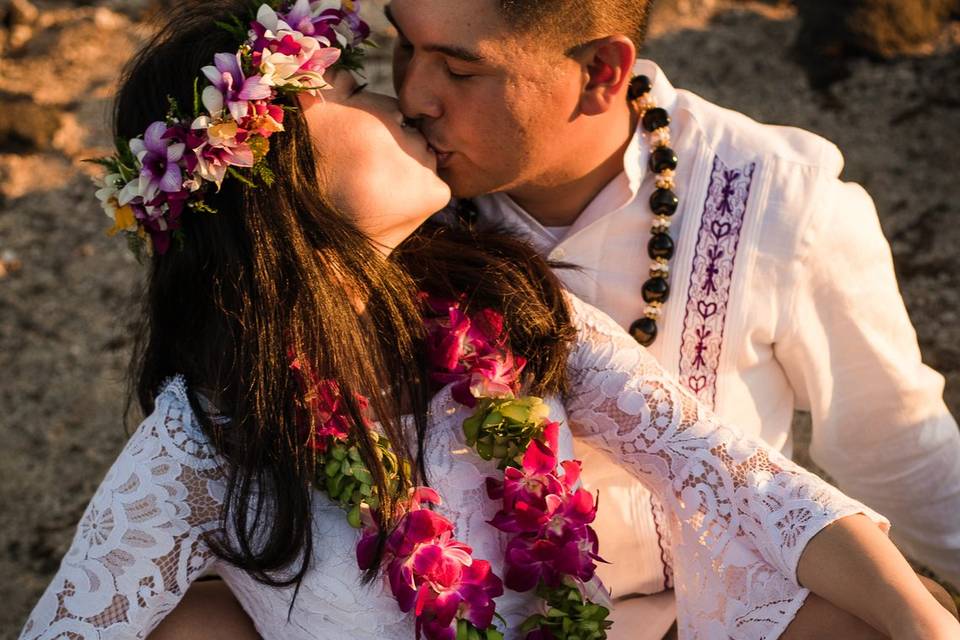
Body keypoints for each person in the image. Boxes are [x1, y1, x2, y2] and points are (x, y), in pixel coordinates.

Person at [17, 1, 960, 639]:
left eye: (457, 65)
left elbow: (808, 471)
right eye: (394, 55)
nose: (412, 96)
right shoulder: (217, 418)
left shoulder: (521, 306)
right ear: (273, 178)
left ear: (599, 75)